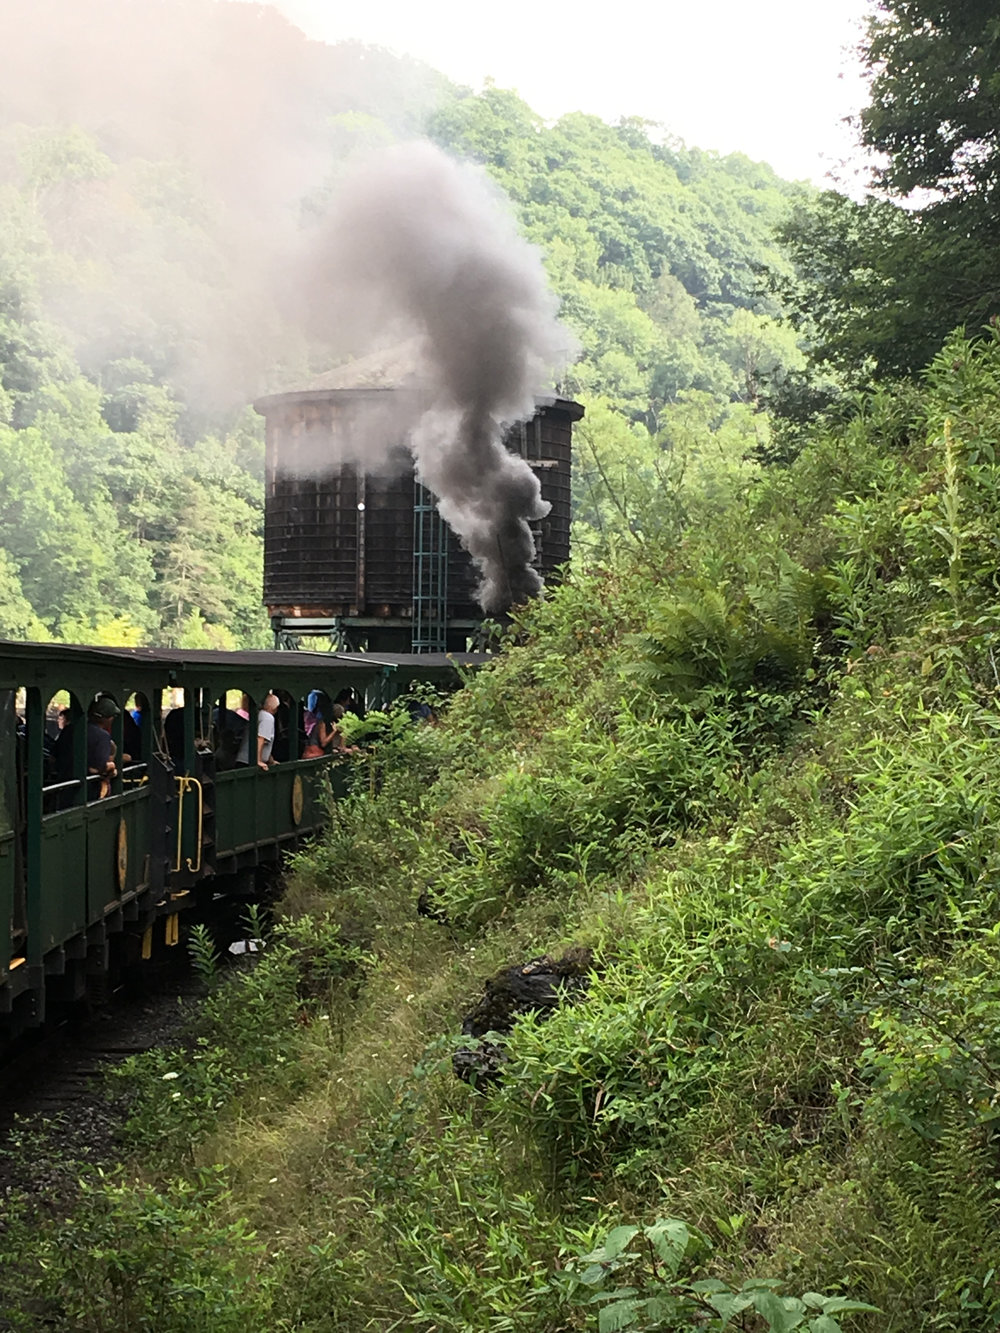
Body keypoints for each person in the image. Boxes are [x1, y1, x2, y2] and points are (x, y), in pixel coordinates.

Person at [87, 696, 120, 797]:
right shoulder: (102, 736)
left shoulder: (69, 729)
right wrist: (112, 767)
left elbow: (53, 758)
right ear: (107, 718)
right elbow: (102, 767)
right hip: (90, 791)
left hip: (62, 788)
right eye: (112, 716)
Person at [255, 693, 280, 771]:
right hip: (248, 761)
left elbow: (266, 744)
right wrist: (258, 760)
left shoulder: (260, 714)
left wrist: (270, 760)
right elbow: (260, 738)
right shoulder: (267, 718)